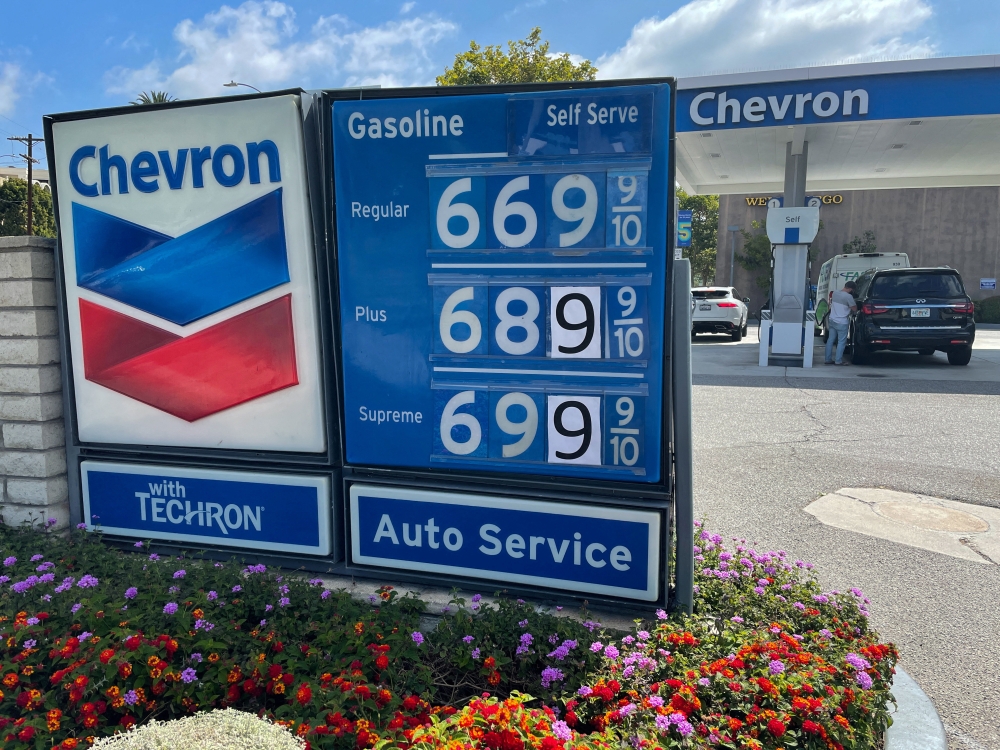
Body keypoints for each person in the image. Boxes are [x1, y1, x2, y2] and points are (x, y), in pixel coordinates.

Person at [825, 280, 857, 365]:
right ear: (850, 289)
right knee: (841, 342)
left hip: (832, 320)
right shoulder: (848, 297)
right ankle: (838, 361)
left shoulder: (835, 293)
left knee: (830, 340)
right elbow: (854, 308)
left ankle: (827, 359)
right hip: (842, 322)